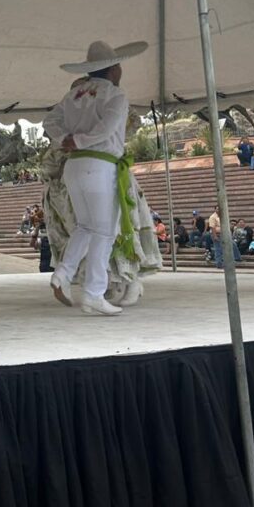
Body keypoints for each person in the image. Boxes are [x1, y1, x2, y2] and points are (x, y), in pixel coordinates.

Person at [43, 39, 148, 315]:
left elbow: (49, 121)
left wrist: (64, 139)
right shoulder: (115, 94)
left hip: (74, 167)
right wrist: (78, 139)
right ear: (113, 69)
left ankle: (63, 274)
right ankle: (93, 293)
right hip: (99, 165)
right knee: (104, 231)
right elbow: (108, 128)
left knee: (86, 227)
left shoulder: (73, 95)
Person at [209, 205, 242, 269]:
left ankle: (237, 257)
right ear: (215, 210)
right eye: (217, 209)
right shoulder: (212, 217)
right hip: (217, 234)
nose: (218, 210)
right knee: (218, 249)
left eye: (219, 209)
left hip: (224, 234)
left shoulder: (222, 216)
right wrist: (215, 236)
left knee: (233, 244)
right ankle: (219, 264)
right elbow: (212, 227)